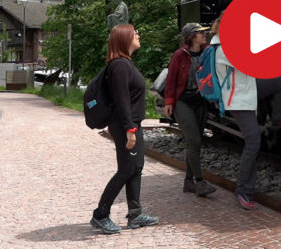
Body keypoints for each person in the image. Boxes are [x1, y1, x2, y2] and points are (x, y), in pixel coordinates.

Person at [209, 17, 281, 210]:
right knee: (253, 142)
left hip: (246, 91)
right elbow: (249, 60)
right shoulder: (223, 48)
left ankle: (280, 117)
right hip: (239, 99)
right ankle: (243, 191)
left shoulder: (226, 45)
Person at [90, 24, 158, 234]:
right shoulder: (119, 65)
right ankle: (100, 214)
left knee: (136, 167)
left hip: (131, 124)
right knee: (127, 169)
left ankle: (135, 215)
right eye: (135, 32)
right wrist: (129, 129)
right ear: (125, 38)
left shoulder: (126, 63)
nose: (138, 35)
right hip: (124, 125)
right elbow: (122, 101)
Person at [164, 22, 217, 197]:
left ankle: (188, 182)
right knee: (194, 141)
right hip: (183, 101)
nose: (204, 35)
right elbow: (171, 79)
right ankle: (199, 182)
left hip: (200, 100)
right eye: (201, 33)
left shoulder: (207, 51)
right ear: (192, 36)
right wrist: (169, 102)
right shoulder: (180, 55)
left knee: (194, 142)